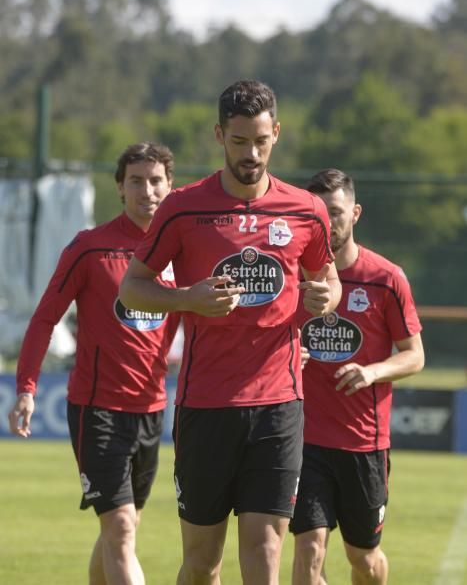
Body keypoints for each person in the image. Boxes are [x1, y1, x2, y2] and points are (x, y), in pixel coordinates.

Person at [119, 79, 342, 585]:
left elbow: (326, 278)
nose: (252, 153)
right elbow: (132, 288)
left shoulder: (306, 210)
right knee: (202, 564)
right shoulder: (182, 207)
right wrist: (185, 299)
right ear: (220, 135)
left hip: (279, 405)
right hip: (205, 407)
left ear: (277, 134)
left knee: (264, 553)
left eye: (261, 141)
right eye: (240, 142)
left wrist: (322, 296)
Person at [8, 142, 180, 585]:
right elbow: (45, 318)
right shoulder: (90, 247)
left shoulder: (181, 256)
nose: (147, 190)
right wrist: (26, 387)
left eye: (156, 180)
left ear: (170, 186)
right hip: (96, 409)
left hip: (152, 411)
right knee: (120, 528)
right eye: (136, 181)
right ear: (120, 188)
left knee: (119, 532)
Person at [290, 168, 425, 585]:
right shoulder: (292, 276)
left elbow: (415, 356)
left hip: (363, 444)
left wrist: (372, 371)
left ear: (356, 213)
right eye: (318, 213)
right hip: (303, 438)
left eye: (336, 212)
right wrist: (291, 354)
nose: (328, 222)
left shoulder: (386, 278)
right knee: (309, 548)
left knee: (364, 560)